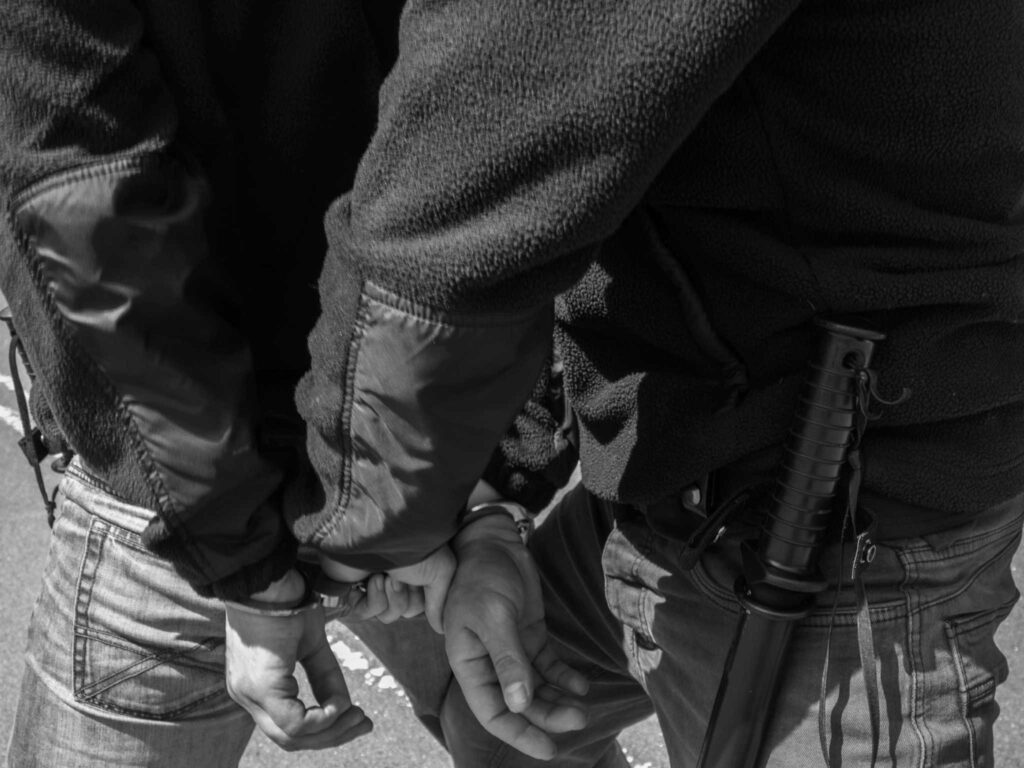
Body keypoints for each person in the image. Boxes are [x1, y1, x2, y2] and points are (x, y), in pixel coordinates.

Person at [242, 1, 1024, 766]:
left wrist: (318, 564)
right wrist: (488, 505)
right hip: (683, 473)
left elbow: (454, 218)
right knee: (500, 727)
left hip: (832, 534)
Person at [0, 2, 533, 765]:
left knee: (523, 713)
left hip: (188, 499)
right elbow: (532, 125)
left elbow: (83, 198)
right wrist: (482, 493)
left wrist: (248, 570)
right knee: (527, 715)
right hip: (424, 451)